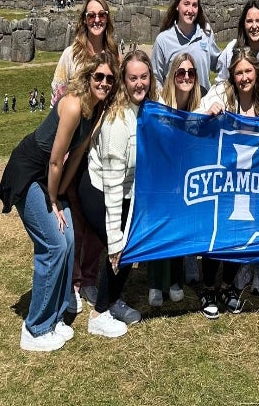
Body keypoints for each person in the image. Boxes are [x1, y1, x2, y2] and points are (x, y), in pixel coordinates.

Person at [0, 51, 117, 351]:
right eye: (98, 77)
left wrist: (61, 196)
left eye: (109, 79)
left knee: (70, 237)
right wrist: (52, 201)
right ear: (88, 77)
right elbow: (53, 161)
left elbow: (74, 157)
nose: (103, 82)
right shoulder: (75, 106)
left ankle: (57, 315)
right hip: (28, 171)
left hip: (50, 178)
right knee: (54, 243)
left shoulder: (96, 111)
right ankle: (35, 328)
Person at [72, 49, 157, 336]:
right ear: (124, 81)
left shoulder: (148, 110)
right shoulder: (117, 122)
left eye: (143, 77)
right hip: (99, 189)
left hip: (128, 190)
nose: (139, 84)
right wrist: (114, 238)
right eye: (132, 78)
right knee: (121, 247)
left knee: (129, 245)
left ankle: (111, 301)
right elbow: (111, 186)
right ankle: (99, 315)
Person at [51, 0, 121, 314]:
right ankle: (74, 280)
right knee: (75, 216)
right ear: (84, 19)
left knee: (97, 216)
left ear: (107, 18)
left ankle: (90, 275)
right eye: (91, 15)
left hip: (101, 146)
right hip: (75, 146)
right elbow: (57, 96)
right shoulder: (70, 55)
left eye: (101, 14)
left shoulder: (113, 54)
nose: (96, 20)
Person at [197, 48, 259, 317]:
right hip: (223, 179)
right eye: (238, 72)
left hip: (250, 181)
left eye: (248, 71)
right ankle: (207, 287)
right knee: (217, 234)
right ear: (232, 76)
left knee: (239, 235)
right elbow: (195, 116)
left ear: (256, 72)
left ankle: (227, 286)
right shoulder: (222, 95)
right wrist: (209, 110)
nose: (243, 77)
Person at [148, 52, 202, 308]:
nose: (186, 77)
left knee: (180, 228)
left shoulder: (197, 106)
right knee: (160, 227)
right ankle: (155, 282)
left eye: (191, 73)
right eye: (181, 72)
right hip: (160, 177)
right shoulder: (159, 103)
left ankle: (174, 280)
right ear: (172, 76)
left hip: (184, 177)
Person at [151, 0, 220, 96]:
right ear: (178, 6)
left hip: (202, 108)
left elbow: (219, 63)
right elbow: (155, 76)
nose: (191, 10)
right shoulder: (163, 40)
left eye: (194, 5)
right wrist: (163, 99)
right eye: (186, 4)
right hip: (175, 111)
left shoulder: (206, 34)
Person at [215, 0, 259, 98]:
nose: (254, 26)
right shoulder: (231, 50)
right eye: (249, 21)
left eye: (258, 21)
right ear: (243, 24)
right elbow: (221, 82)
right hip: (238, 110)